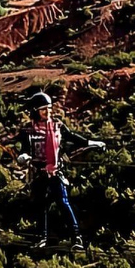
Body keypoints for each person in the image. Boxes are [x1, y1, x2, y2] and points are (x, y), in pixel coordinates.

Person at [16, 92, 105, 250]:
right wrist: (23, 156)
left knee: (63, 203)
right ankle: (41, 238)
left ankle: (76, 238)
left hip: (56, 171)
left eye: (49, 108)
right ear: (35, 110)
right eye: (43, 109)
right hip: (38, 172)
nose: (47, 112)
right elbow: (24, 150)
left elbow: (72, 137)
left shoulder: (57, 125)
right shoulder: (28, 130)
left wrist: (91, 142)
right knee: (40, 206)